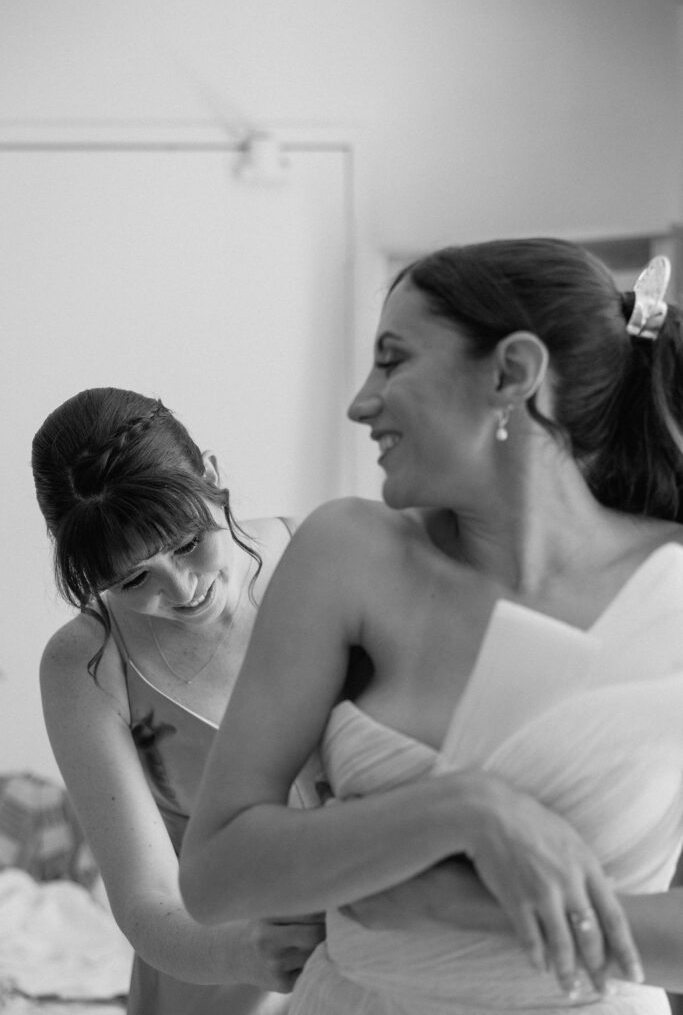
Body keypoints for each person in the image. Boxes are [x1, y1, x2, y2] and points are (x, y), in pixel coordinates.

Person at [180, 239, 683, 1015]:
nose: (359, 401)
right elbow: (215, 876)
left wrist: (457, 903)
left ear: (510, 374)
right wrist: (465, 812)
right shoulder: (346, 554)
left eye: (391, 360)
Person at [31, 387, 326, 1015]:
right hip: (214, 977)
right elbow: (147, 904)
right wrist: (259, 953)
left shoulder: (325, 557)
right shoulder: (84, 666)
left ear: (212, 477)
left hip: (382, 958)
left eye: (190, 541)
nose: (182, 588)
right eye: (132, 579)